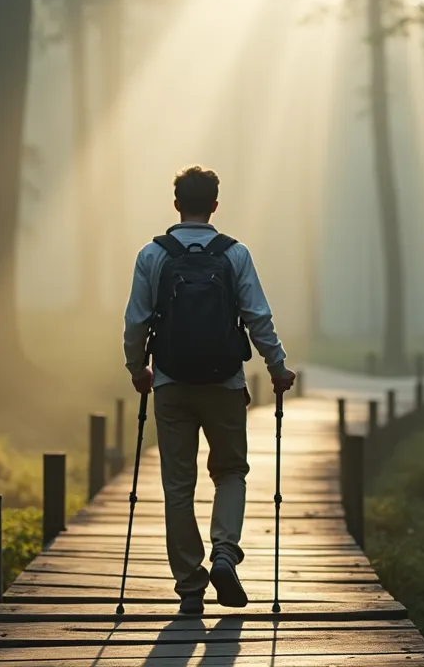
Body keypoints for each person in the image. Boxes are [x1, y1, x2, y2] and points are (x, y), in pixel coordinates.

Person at [123, 165, 295, 614]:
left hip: (171, 384)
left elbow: (136, 321)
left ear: (176, 203)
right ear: (215, 205)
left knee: (178, 485)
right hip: (224, 383)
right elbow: (258, 316)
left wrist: (137, 367)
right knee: (231, 471)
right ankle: (224, 552)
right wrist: (277, 367)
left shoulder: (152, 255)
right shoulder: (234, 254)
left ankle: (190, 587)